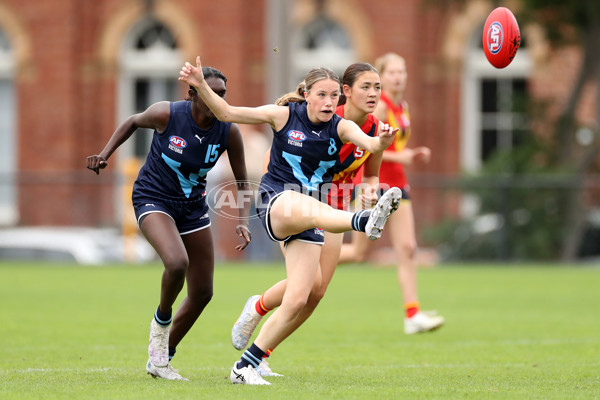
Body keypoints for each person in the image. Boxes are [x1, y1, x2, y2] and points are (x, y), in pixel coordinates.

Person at [179, 56, 401, 385]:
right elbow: (227, 113)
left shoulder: (342, 127)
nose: (328, 103)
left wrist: (380, 142)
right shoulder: (282, 115)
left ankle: (245, 366)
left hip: (313, 210)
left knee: (302, 296)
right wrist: (199, 85)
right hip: (276, 203)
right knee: (310, 206)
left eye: (332, 98)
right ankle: (362, 220)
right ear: (307, 95)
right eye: (322, 95)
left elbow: (368, 144)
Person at [86, 67, 252, 381]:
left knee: (203, 292)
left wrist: (243, 221)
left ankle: (162, 359)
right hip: (153, 198)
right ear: (192, 94)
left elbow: (243, 181)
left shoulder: (228, 131)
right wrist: (105, 154)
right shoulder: (168, 114)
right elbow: (133, 121)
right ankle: (160, 326)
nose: (218, 99)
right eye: (210, 92)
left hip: (192, 208)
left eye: (222, 94)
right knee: (176, 263)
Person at [228, 62, 388, 377]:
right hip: (301, 204)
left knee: (314, 292)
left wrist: (370, 192)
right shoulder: (324, 114)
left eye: (377, 87)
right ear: (347, 91)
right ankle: (257, 314)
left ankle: (259, 350)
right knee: (304, 286)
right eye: (365, 87)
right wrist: (274, 200)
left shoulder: (371, 129)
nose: (372, 94)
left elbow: (371, 176)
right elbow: (276, 157)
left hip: (338, 207)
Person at [339, 53, 445, 334]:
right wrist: (406, 156)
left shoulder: (403, 106)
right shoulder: (380, 109)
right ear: (381, 78)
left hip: (399, 185)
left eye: (403, 71)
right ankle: (311, 257)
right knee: (360, 253)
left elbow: (393, 149)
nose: (399, 77)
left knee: (408, 248)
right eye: (393, 72)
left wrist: (407, 156)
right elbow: (373, 149)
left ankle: (412, 314)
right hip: (375, 184)